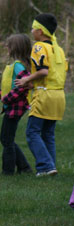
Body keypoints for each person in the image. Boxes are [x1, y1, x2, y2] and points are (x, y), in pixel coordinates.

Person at [15, 13, 68, 176]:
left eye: (33, 28)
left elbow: (43, 71)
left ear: (40, 31)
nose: (31, 31)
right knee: (48, 133)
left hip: (44, 96)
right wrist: (34, 83)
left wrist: (26, 80)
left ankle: (45, 166)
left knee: (32, 132)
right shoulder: (57, 49)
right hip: (58, 96)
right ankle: (50, 166)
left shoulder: (39, 47)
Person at [0, 34, 33, 175]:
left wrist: (6, 99)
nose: (6, 47)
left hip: (15, 108)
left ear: (15, 48)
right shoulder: (15, 66)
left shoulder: (19, 67)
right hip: (12, 106)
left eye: (8, 45)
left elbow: (25, 86)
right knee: (7, 138)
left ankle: (8, 171)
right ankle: (24, 167)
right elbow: (9, 87)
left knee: (6, 139)